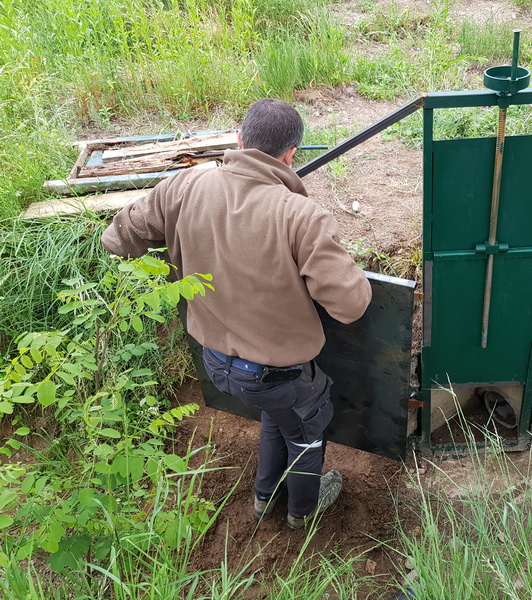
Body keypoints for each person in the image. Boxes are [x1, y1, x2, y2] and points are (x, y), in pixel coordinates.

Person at [101, 98, 373, 529]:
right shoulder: (299, 215)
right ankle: (302, 512)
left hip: (215, 364)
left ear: (241, 139)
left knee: (277, 415)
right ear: (291, 156)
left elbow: (117, 239)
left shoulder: (183, 186)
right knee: (305, 429)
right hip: (276, 375)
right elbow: (351, 305)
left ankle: (266, 498)